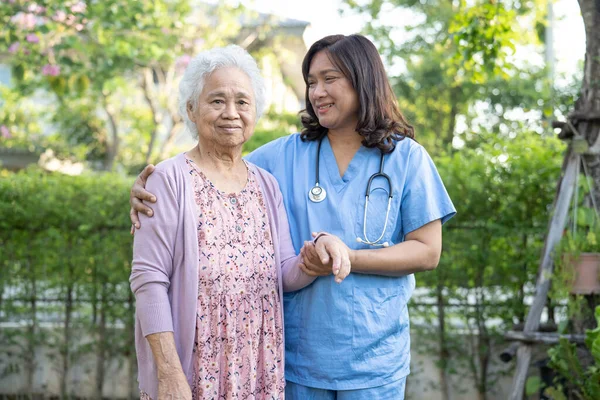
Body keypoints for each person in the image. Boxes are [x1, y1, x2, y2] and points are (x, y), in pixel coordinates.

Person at [131, 34, 456, 399]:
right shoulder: (281, 157)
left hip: (375, 360)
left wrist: (346, 257)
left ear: (363, 79)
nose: (317, 92)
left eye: (329, 79)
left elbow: (427, 252)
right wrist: (149, 188)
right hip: (296, 363)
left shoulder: (407, 158)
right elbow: (214, 171)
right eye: (311, 82)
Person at [129, 44, 350, 400]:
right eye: (217, 101)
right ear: (191, 109)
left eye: (242, 102)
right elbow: (149, 281)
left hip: (258, 366)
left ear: (255, 112)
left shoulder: (265, 183)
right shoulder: (168, 180)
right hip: (192, 368)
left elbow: (283, 272)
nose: (231, 113)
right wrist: (169, 374)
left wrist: (317, 256)